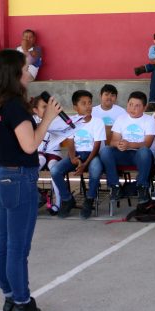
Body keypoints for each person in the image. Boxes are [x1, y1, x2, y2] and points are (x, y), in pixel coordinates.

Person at [0, 48, 60, 311]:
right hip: (19, 178)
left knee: (4, 244)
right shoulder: (14, 106)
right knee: (18, 248)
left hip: (4, 176)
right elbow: (29, 145)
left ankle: (11, 297)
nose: (30, 72)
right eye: (25, 68)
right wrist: (48, 118)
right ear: (14, 73)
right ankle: (23, 303)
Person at [51, 90, 106, 219]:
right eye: (83, 103)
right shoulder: (71, 122)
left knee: (96, 168)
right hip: (77, 155)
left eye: (90, 103)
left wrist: (84, 164)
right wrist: (73, 158)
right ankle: (67, 199)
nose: (88, 106)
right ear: (75, 107)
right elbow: (70, 143)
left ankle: (89, 199)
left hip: (93, 155)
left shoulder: (97, 122)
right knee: (55, 170)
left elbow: (96, 146)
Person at [98, 91, 155, 204]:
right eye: (130, 104)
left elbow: (147, 144)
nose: (132, 108)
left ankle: (142, 186)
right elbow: (113, 141)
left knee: (144, 151)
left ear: (144, 108)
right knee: (105, 150)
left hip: (141, 156)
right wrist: (119, 144)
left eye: (137, 106)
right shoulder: (121, 118)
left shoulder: (149, 120)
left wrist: (129, 144)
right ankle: (115, 186)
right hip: (124, 153)